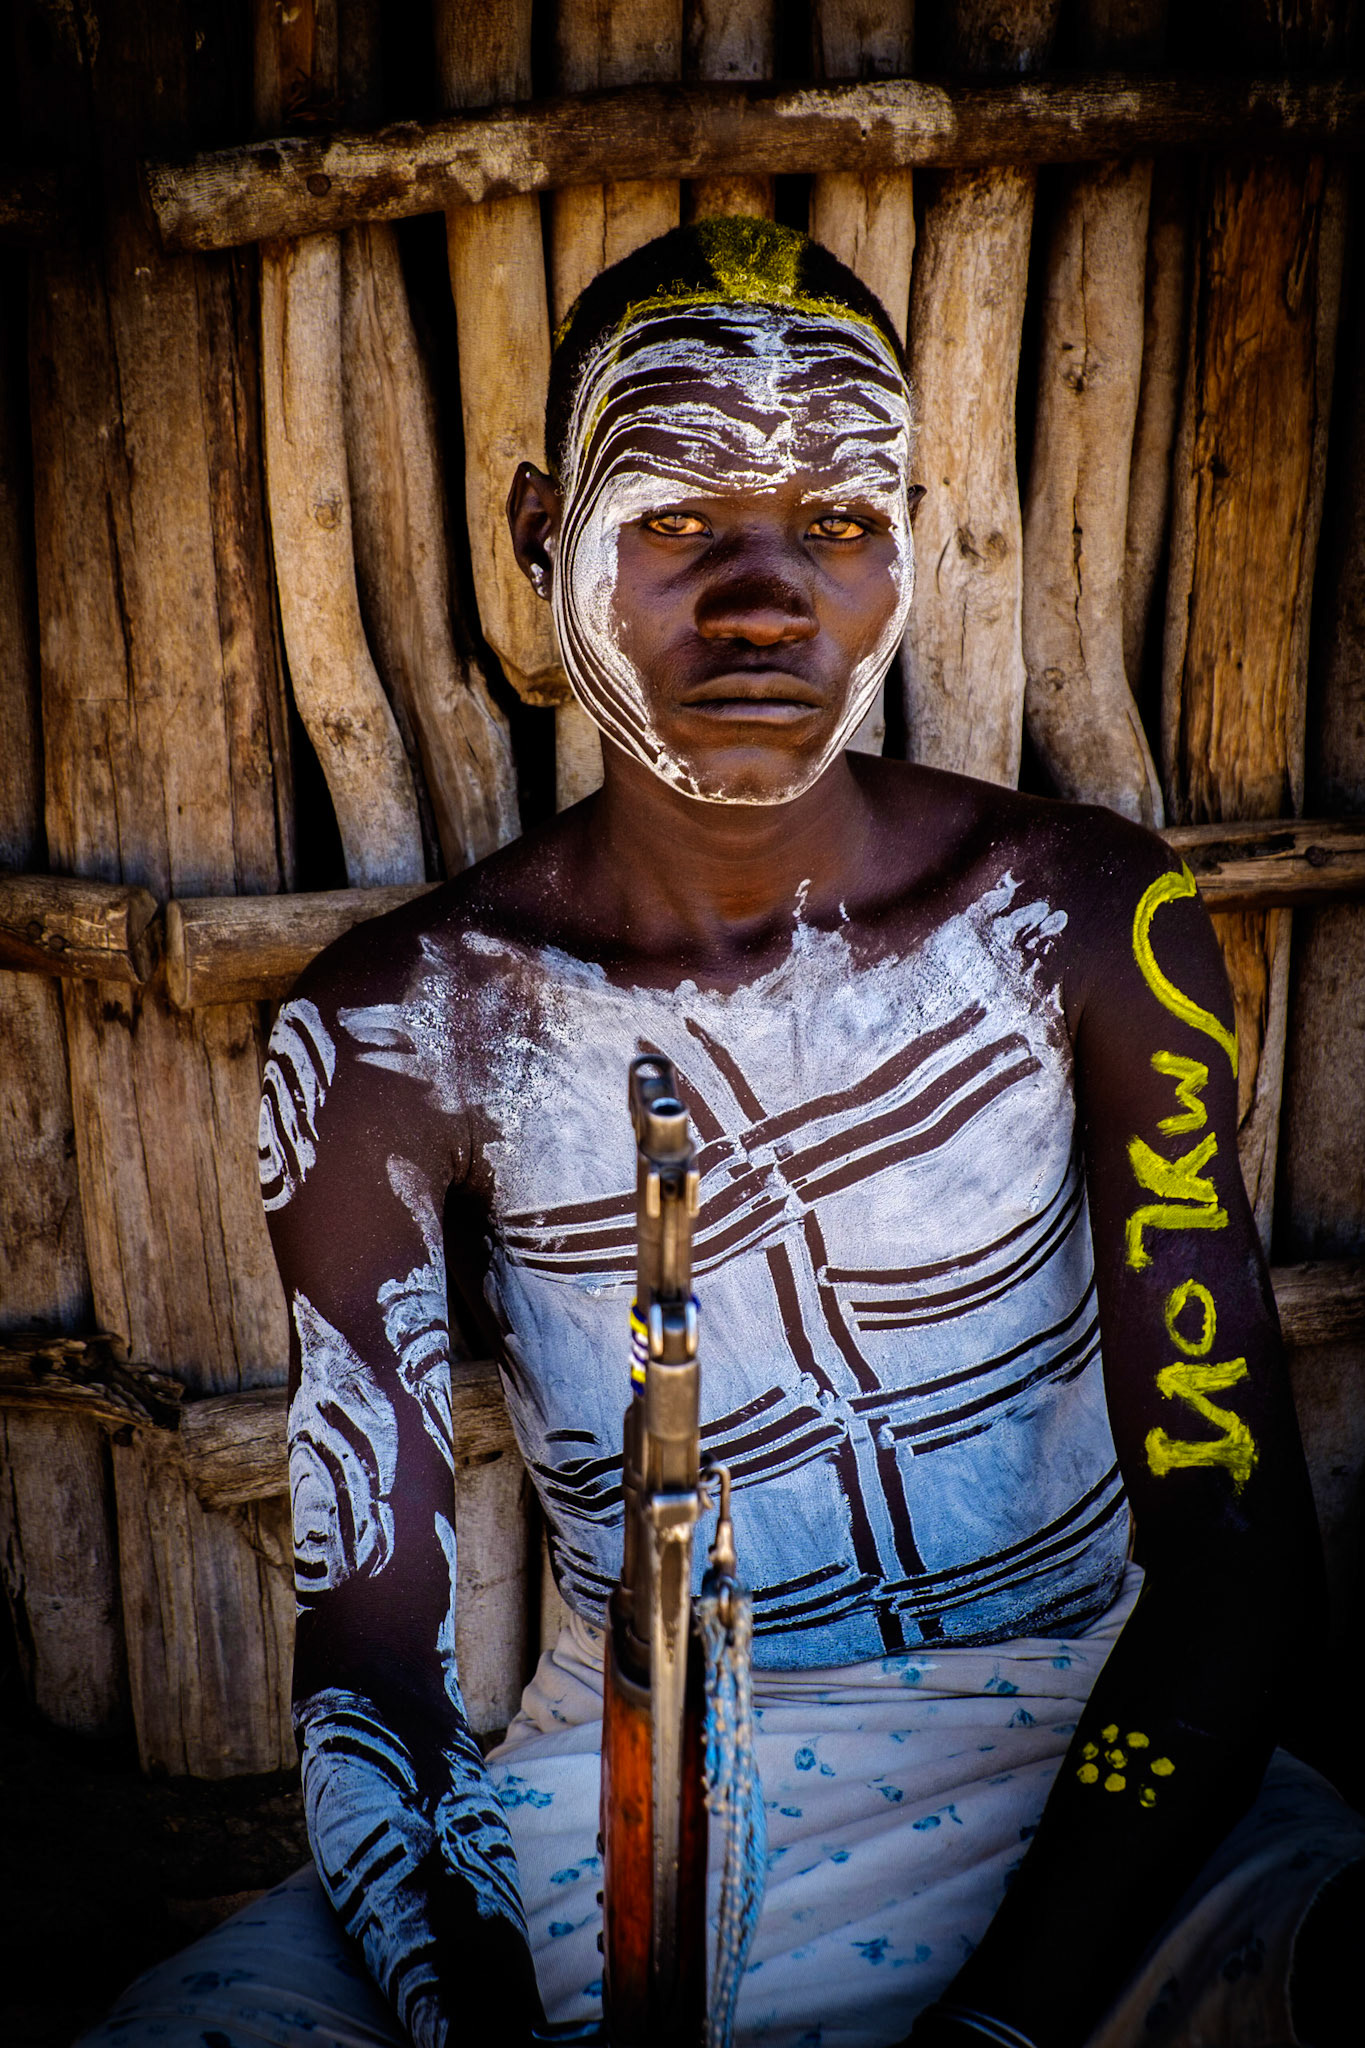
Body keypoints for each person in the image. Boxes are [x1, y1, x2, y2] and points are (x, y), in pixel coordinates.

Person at [83, 218, 1362, 2048]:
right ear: (543, 535)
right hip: (610, 1794)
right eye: (680, 522)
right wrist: (478, 2024)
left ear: (905, 551)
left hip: (1105, 1758)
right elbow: (369, 1666)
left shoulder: (1081, 918)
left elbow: (1235, 1569)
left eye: (837, 526)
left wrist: (1005, 2026)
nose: (766, 599)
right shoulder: (398, 1026)